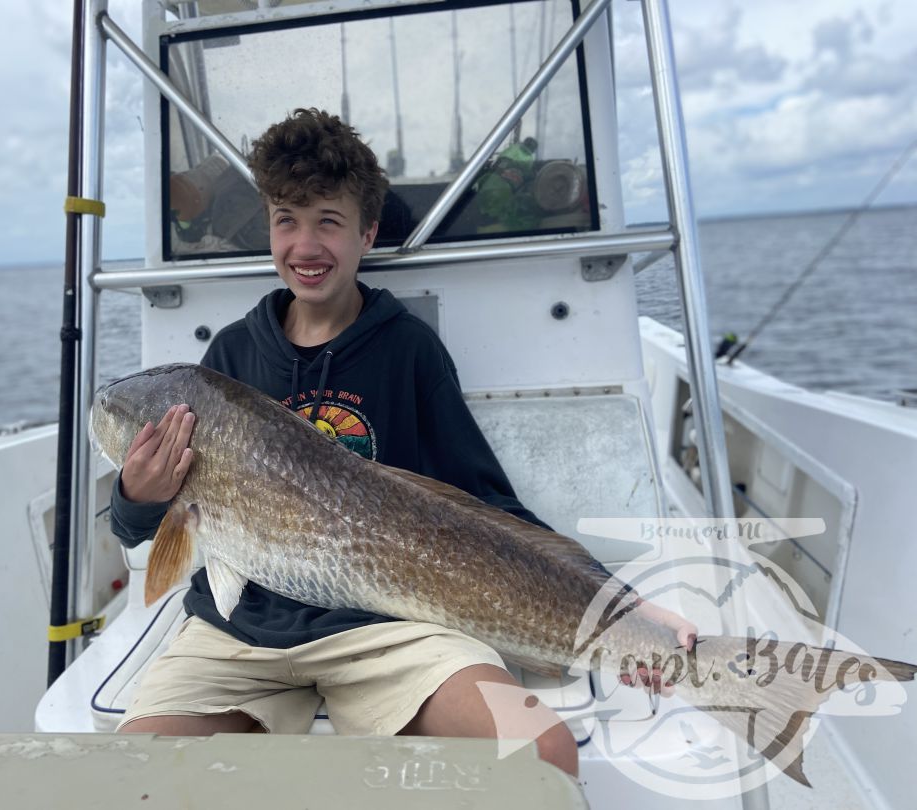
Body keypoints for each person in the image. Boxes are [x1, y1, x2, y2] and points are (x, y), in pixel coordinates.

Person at [111, 108, 695, 779]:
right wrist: (135, 493)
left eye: (328, 221)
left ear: (367, 233)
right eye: (286, 220)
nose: (305, 245)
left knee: (542, 754)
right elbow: (137, 529)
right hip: (237, 631)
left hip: (384, 626)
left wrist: (626, 609)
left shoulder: (408, 349)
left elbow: (487, 506)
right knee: (138, 775)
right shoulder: (228, 359)